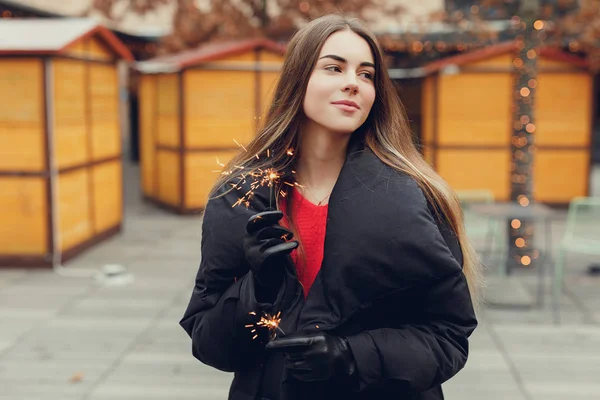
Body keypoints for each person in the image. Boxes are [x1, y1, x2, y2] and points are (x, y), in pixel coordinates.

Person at [180, 13, 482, 400]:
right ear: (298, 79)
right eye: (334, 67)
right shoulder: (242, 194)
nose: (352, 83)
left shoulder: (414, 196)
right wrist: (261, 287)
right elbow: (210, 344)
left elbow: (447, 337)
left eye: (367, 74)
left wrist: (351, 355)